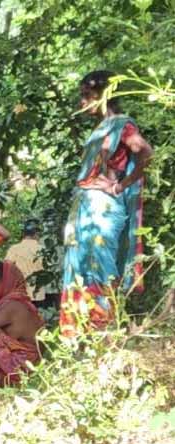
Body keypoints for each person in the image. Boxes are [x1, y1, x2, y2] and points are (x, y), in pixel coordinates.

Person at [60, 70, 153, 334]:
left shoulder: (121, 124)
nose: (82, 101)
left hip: (102, 208)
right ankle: (82, 335)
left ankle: (103, 333)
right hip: (86, 207)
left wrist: (120, 185)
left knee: (99, 270)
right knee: (80, 268)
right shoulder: (101, 128)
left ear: (105, 96)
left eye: (87, 95)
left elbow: (145, 151)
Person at [0, 261, 44, 387]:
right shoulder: (7, 303)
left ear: (5, 283)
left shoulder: (14, 304)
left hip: (24, 370)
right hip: (27, 369)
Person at [5, 220, 45, 303]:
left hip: (20, 294)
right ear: (36, 234)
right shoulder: (43, 250)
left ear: (23, 234)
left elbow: (6, 268)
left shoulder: (14, 249)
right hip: (38, 295)